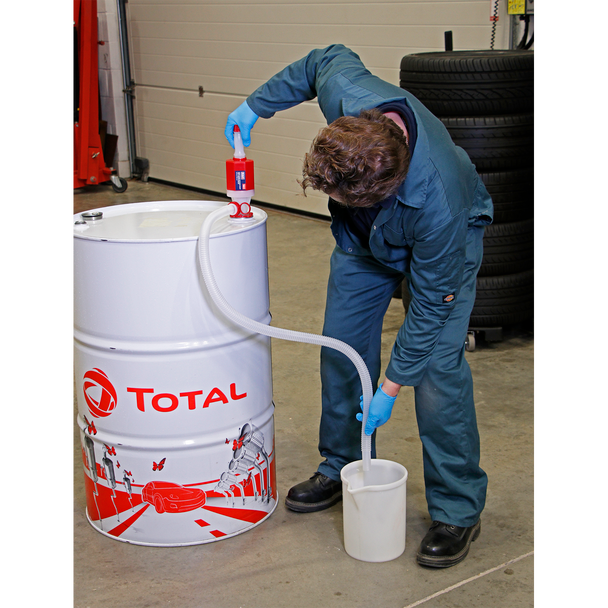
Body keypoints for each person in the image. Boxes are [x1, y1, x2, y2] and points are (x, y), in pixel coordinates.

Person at [224, 44, 493, 568]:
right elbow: (320, 60)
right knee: (341, 348)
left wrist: (390, 388)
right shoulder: (349, 96)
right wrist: (256, 106)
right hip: (362, 242)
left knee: (436, 371)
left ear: (386, 187)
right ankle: (341, 464)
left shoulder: (440, 200)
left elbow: (429, 311)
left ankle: (458, 509)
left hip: (441, 244)